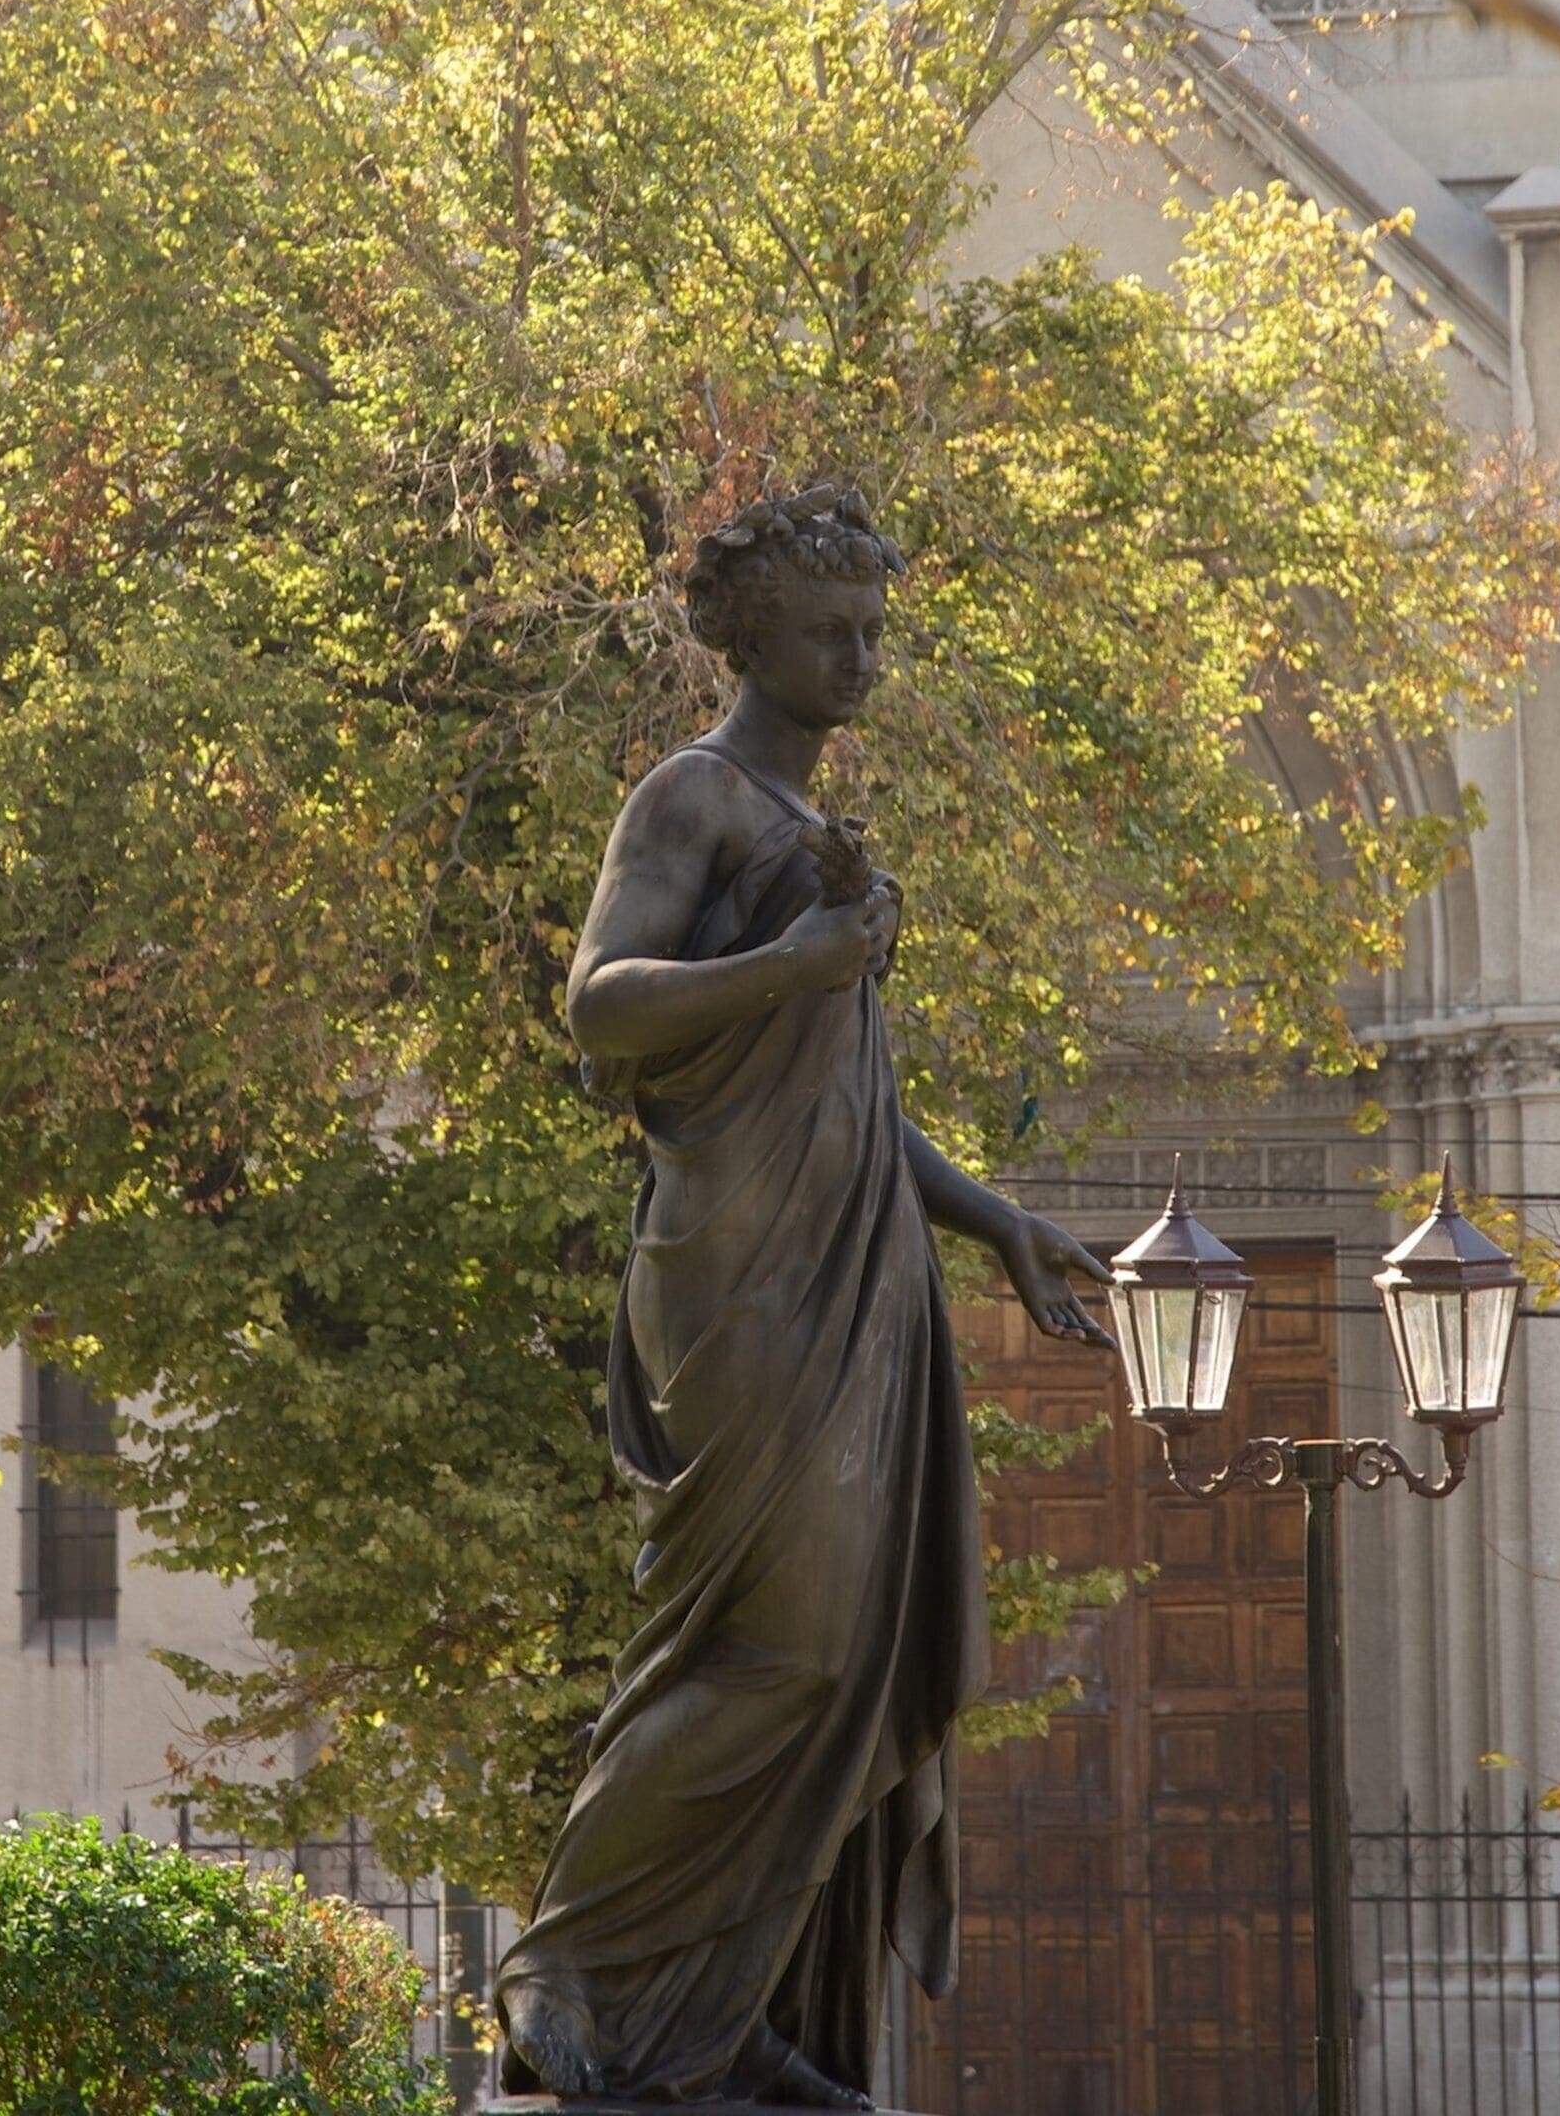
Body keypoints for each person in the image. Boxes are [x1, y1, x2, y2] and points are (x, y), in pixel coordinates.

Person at [494, 486, 1108, 2107]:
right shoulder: (692, 801)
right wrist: (794, 961)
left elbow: (849, 1091)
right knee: (772, 1648)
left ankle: (710, 2019)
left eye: (875, 632)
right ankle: (564, 1956)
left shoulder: (820, 835)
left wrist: (993, 1225)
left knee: (836, 1661)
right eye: (834, 632)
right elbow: (603, 1010)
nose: (864, 659)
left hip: (861, 1260)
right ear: (752, 637)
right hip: (736, 1270)